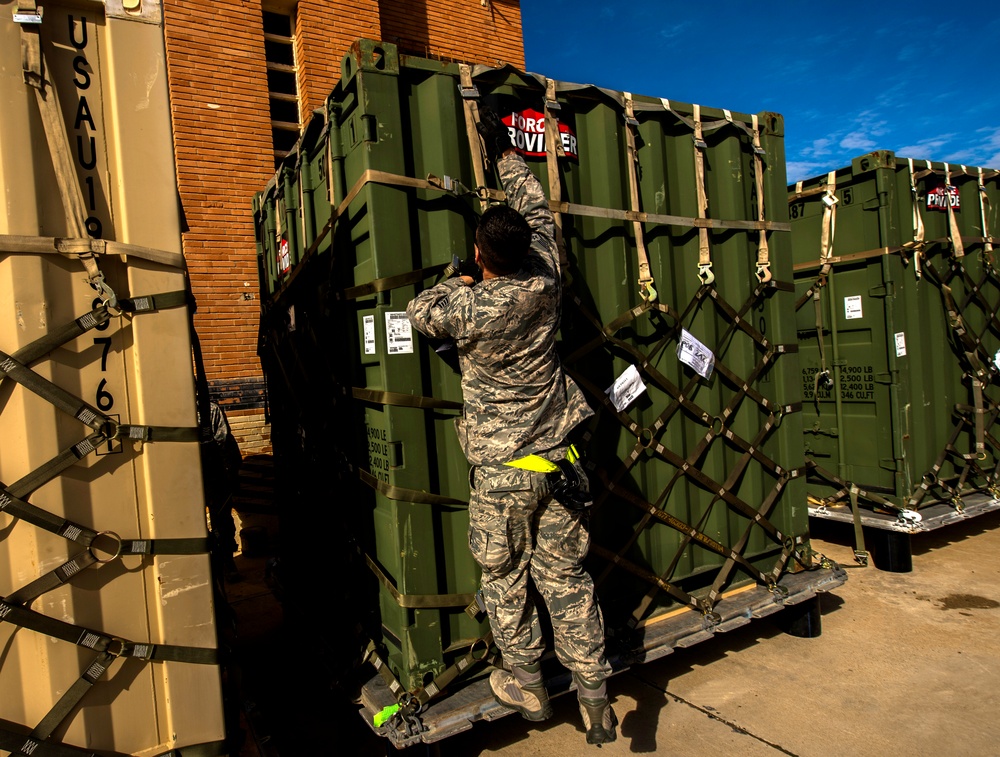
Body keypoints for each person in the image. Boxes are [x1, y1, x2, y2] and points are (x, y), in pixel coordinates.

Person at [406, 107, 616, 745]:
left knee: (504, 575)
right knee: (566, 576)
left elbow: (419, 312)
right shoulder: (547, 277)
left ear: (479, 253)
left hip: (504, 471)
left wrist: (456, 278)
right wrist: (507, 157)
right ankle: (595, 693)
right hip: (555, 459)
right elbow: (539, 210)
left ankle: (526, 683)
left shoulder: (471, 304)